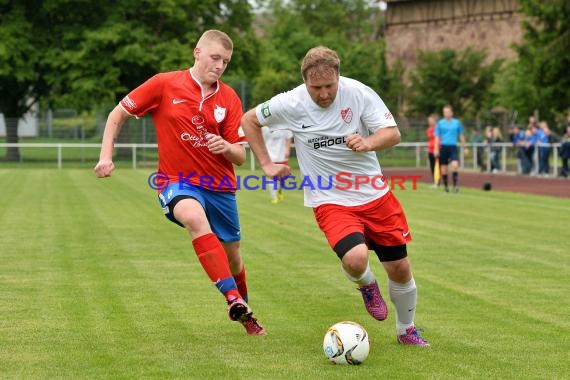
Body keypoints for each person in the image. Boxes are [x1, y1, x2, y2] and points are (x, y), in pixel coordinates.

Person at [241, 46, 429, 346]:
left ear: (338, 77)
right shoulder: (290, 102)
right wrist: (265, 163)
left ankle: (406, 329)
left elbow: (392, 133)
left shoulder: (359, 93)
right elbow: (249, 119)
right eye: (316, 88)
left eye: (330, 86)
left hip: (375, 196)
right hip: (330, 199)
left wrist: (367, 143)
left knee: (400, 268)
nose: (324, 94)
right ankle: (367, 285)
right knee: (355, 259)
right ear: (305, 82)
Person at [93, 30, 264, 335]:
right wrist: (106, 156)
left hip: (220, 187)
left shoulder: (229, 98)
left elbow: (239, 155)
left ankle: (245, 310)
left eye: (225, 61)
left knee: (234, 256)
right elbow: (116, 115)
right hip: (177, 181)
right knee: (193, 217)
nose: (220, 65)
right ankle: (232, 297)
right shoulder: (163, 84)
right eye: (215, 58)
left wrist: (225, 147)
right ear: (197, 52)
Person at [434, 105, 466, 192]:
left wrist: (465, 146)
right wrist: (436, 149)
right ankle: (446, 186)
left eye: (448, 112)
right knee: (444, 168)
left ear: (452, 113)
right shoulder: (440, 123)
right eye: (444, 112)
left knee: (455, 165)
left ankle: (455, 186)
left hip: (453, 146)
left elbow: (461, 134)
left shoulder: (457, 123)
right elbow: (437, 137)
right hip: (443, 147)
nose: (446, 113)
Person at [262, 126, 293, 203]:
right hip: (270, 156)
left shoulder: (284, 125)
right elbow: (261, 140)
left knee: (284, 176)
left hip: (282, 155)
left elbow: (289, 138)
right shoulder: (265, 127)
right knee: (272, 177)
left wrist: (287, 150)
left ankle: (280, 191)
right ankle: (274, 197)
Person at [426, 114, 439, 186]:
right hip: (430, 149)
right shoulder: (428, 129)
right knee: (432, 166)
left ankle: (438, 181)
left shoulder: (438, 128)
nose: (429, 122)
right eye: (429, 121)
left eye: (431, 120)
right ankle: (434, 181)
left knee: (437, 166)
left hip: (437, 149)